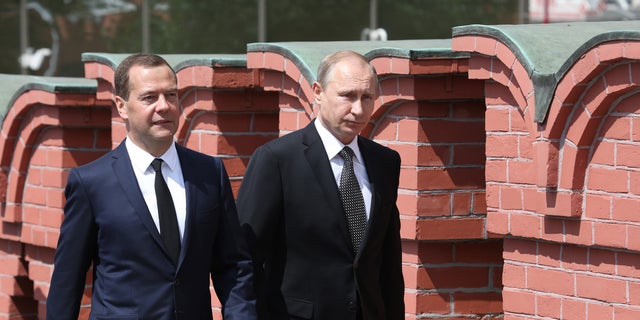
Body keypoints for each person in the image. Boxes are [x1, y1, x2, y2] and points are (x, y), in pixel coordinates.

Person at [47, 53, 257, 320]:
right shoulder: (90, 182)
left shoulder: (209, 173)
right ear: (122, 106)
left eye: (171, 95)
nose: (164, 106)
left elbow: (233, 265)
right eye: (149, 97)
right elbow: (68, 280)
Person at [236, 50, 404, 320]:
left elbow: (388, 262)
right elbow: (244, 257)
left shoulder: (385, 162)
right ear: (318, 92)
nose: (358, 109)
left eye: (367, 97)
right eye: (347, 96)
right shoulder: (277, 160)